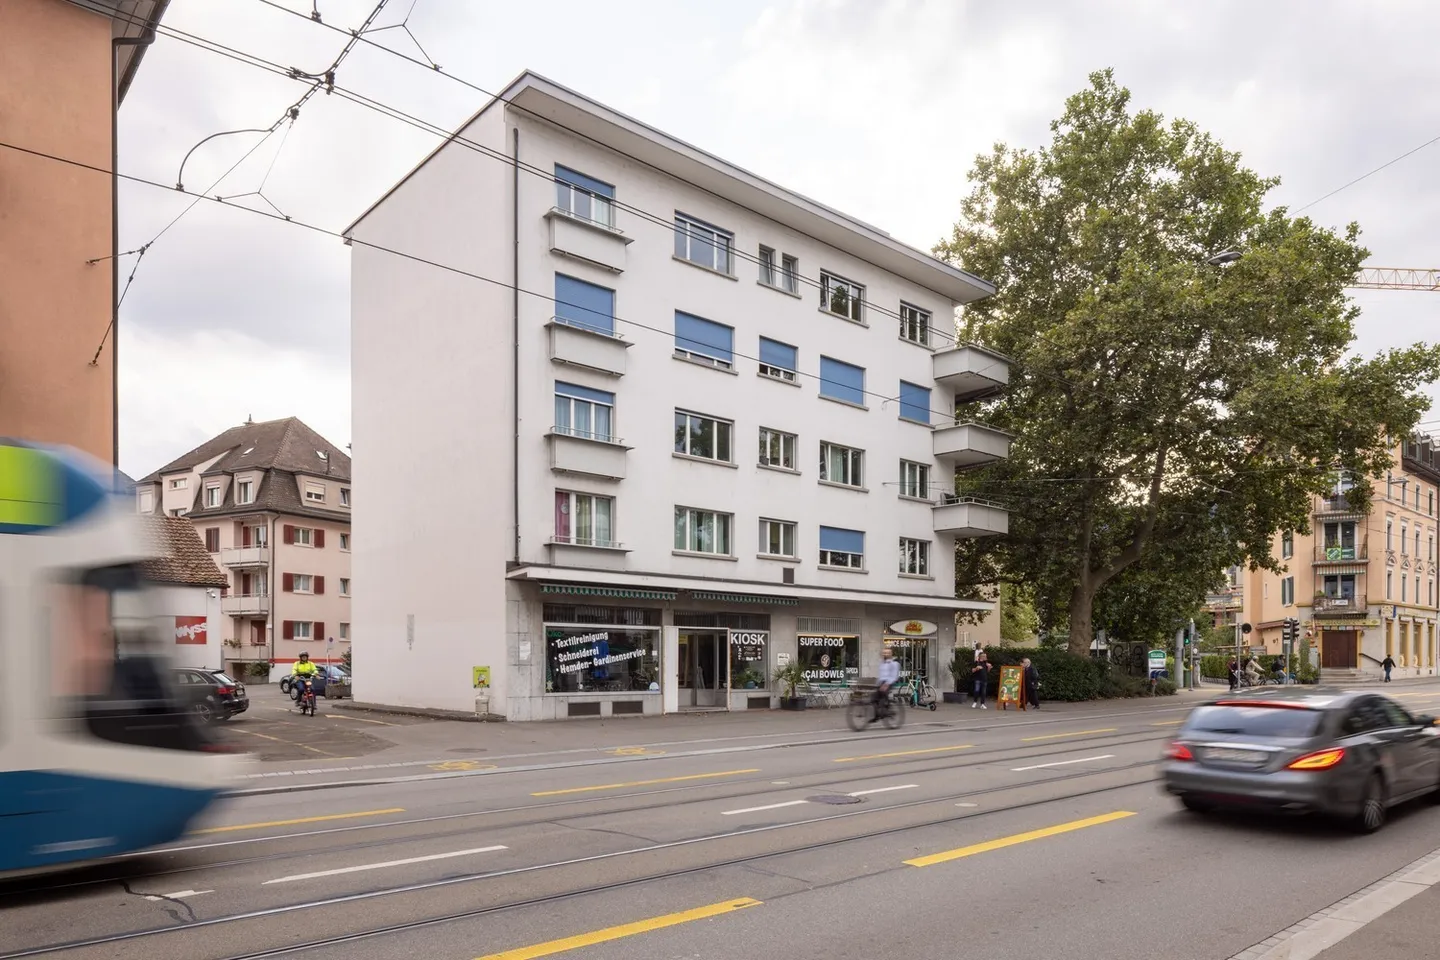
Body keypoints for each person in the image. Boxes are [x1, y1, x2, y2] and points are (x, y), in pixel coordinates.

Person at [870, 647, 900, 722]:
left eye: (887, 653)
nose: (885, 654)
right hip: (882, 683)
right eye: (884, 653)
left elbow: (894, 676)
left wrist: (886, 684)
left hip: (890, 682)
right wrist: (877, 684)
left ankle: (885, 712)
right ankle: (876, 715)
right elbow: (881, 676)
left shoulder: (894, 664)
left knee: (882, 696)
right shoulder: (882, 663)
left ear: (891, 654)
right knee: (873, 698)